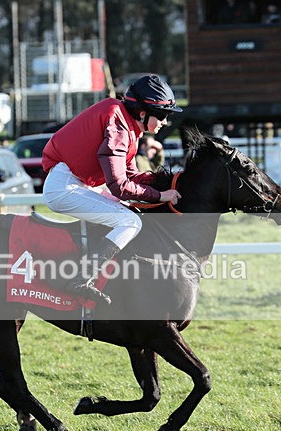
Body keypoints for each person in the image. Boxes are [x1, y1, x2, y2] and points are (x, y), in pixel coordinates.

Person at [41, 74, 182, 305]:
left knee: (126, 213)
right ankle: (81, 279)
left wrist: (171, 179)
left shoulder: (125, 124)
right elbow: (119, 186)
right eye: (163, 116)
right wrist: (161, 195)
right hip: (65, 187)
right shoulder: (118, 125)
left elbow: (133, 176)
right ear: (143, 113)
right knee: (130, 222)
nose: (165, 122)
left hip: (75, 183)